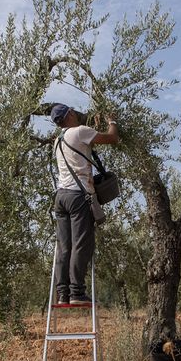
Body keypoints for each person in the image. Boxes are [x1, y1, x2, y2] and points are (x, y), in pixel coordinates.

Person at [51, 103, 119, 305]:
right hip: (78, 196)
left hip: (61, 197)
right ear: (70, 114)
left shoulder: (58, 140)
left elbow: (86, 146)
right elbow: (112, 138)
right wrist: (112, 121)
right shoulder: (80, 132)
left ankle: (63, 293)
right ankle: (77, 293)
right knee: (82, 244)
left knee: (65, 246)